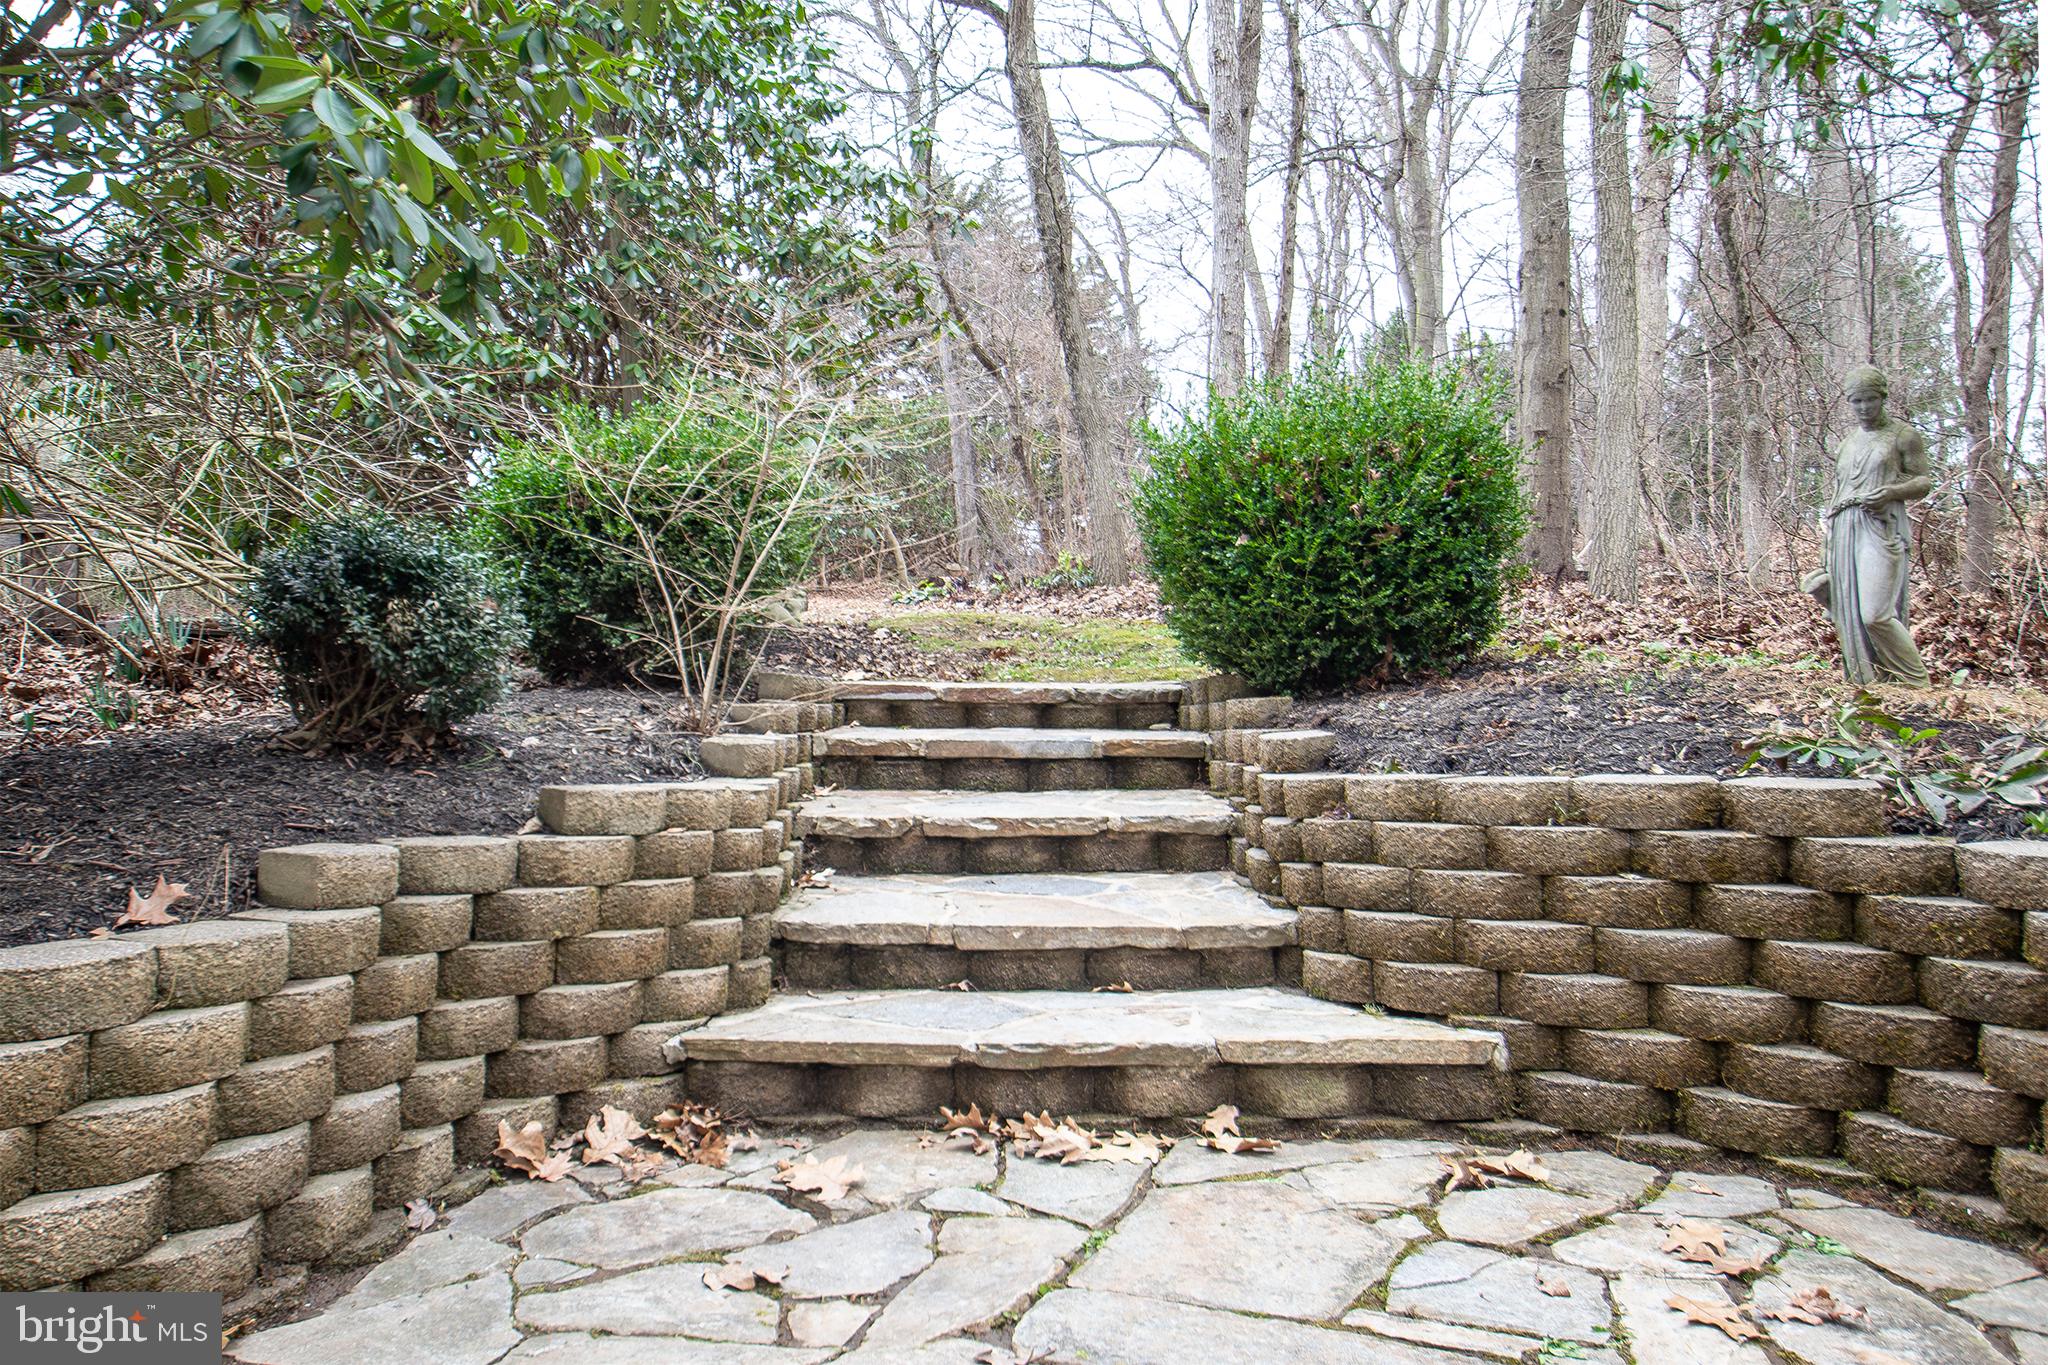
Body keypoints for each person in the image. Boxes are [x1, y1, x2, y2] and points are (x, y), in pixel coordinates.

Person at [1801, 364, 1933, 686]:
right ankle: (1870, 681)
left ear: (1882, 397)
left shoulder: (1903, 436)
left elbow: (1923, 481)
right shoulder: (1847, 443)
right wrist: (1827, 542)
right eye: (1855, 401)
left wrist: (1891, 492)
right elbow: (1837, 493)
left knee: (1875, 613)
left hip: (1880, 526)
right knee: (1847, 611)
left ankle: (1916, 682)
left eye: (1869, 400)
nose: (1863, 408)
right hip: (1844, 529)